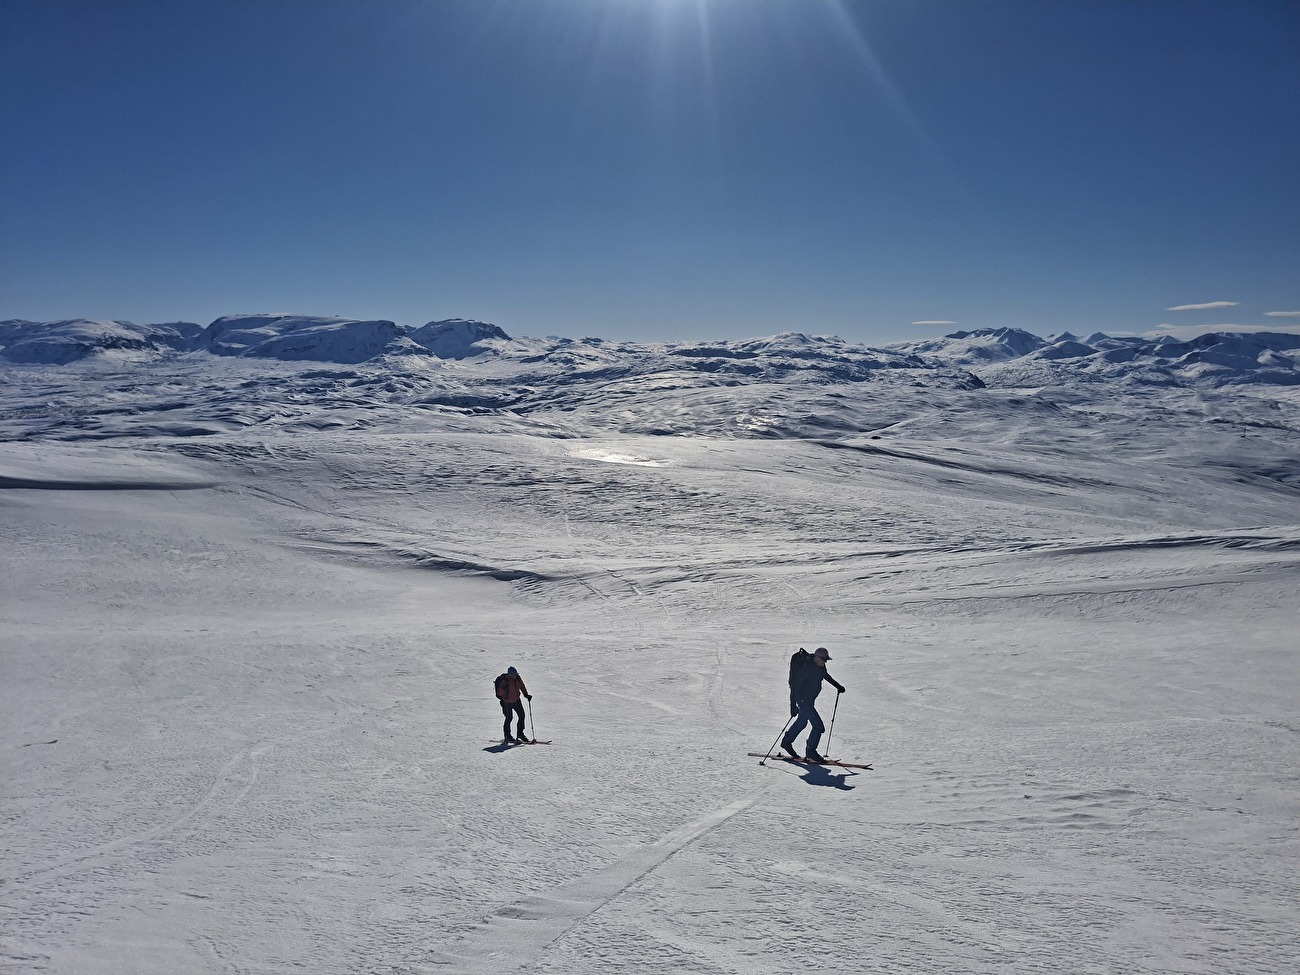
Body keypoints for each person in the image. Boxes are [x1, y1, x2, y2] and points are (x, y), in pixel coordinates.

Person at [781, 647, 844, 763]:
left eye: (826, 660)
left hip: (810, 700)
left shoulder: (820, 666)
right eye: (824, 660)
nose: (825, 662)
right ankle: (811, 752)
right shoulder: (805, 669)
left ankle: (786, 742)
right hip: (803, 701)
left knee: (802, 722)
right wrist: (793, 705)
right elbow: (794, 686)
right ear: (817, 657)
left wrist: (838, 686)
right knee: (818, 727)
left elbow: (825, 676)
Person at [494, 666, 532, 743]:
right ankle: (508, 736)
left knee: (522, 715)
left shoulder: (518, 678)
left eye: (515, 674)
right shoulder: (505, 680)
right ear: (510, 674)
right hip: (506, 702)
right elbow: (499, 693)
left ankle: (520, 734)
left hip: (516, 700)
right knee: (509, 718)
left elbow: (522, 686)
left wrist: (526, 695)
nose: (515, 676)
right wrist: (503, 688)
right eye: (513, 675)